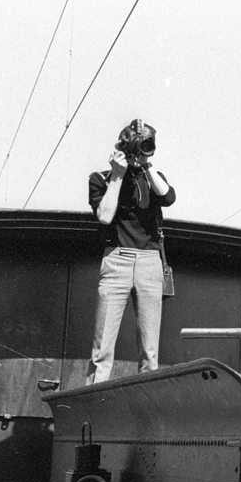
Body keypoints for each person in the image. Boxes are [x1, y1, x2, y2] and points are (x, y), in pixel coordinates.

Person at [86, 118, 176, 384]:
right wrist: (117, 174)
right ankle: (94, 399)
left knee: (150, 352)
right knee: (102, 349)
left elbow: (168, 197)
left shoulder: (151, 178)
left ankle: (146, 404)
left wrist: (146, 165)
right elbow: (104, 216)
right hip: (117, 260)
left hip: (150, 263)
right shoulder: (101, 179)